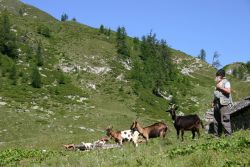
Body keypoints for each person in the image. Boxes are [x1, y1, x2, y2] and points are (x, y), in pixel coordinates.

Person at [212, 69, 233, 137]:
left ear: (220, 76)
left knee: (225, 120)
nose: (215, 78)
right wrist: (213, 101)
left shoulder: (226, 82)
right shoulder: (218, 84)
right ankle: (217, 135)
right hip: (217, 104)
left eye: (217, 76)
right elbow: (217, 94)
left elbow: (228, 91)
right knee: (216, 121)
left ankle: (228, 136)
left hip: (224, 104)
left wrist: (220, 87)